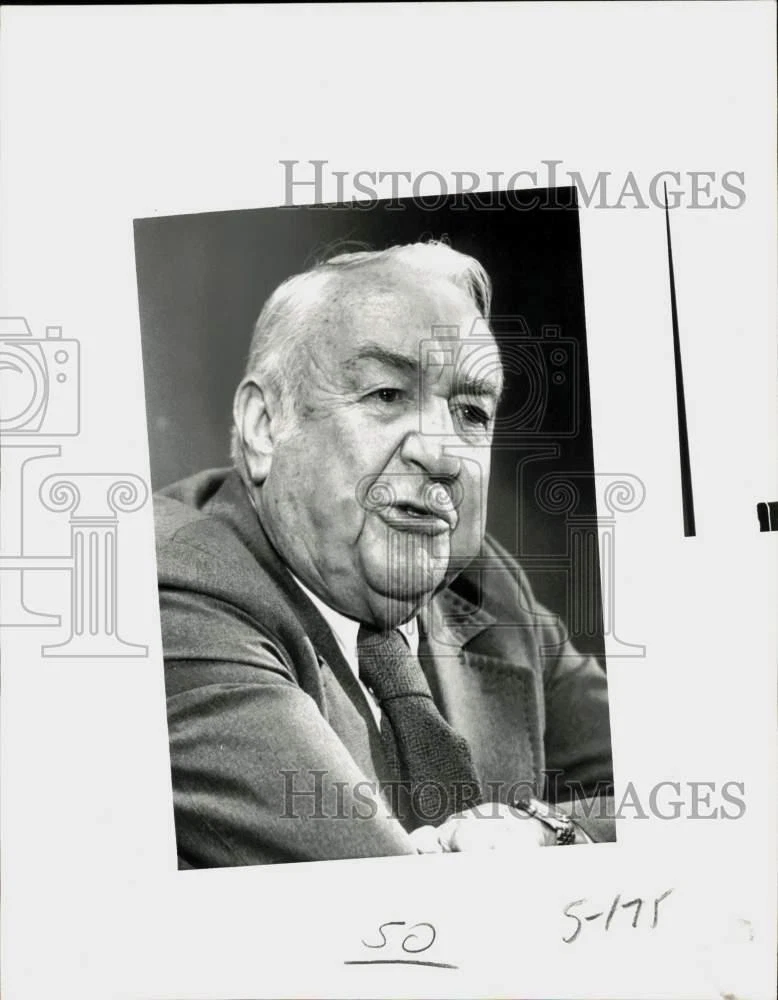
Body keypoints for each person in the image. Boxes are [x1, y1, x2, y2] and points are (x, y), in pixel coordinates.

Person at [154, 241, 614, 868]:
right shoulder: (174, 586)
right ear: (265, 426)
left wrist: (546, 830)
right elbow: (390, 903)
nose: (444, 453)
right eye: (388, 395)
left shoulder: (489, 589)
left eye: (471, 412)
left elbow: (705, 798)